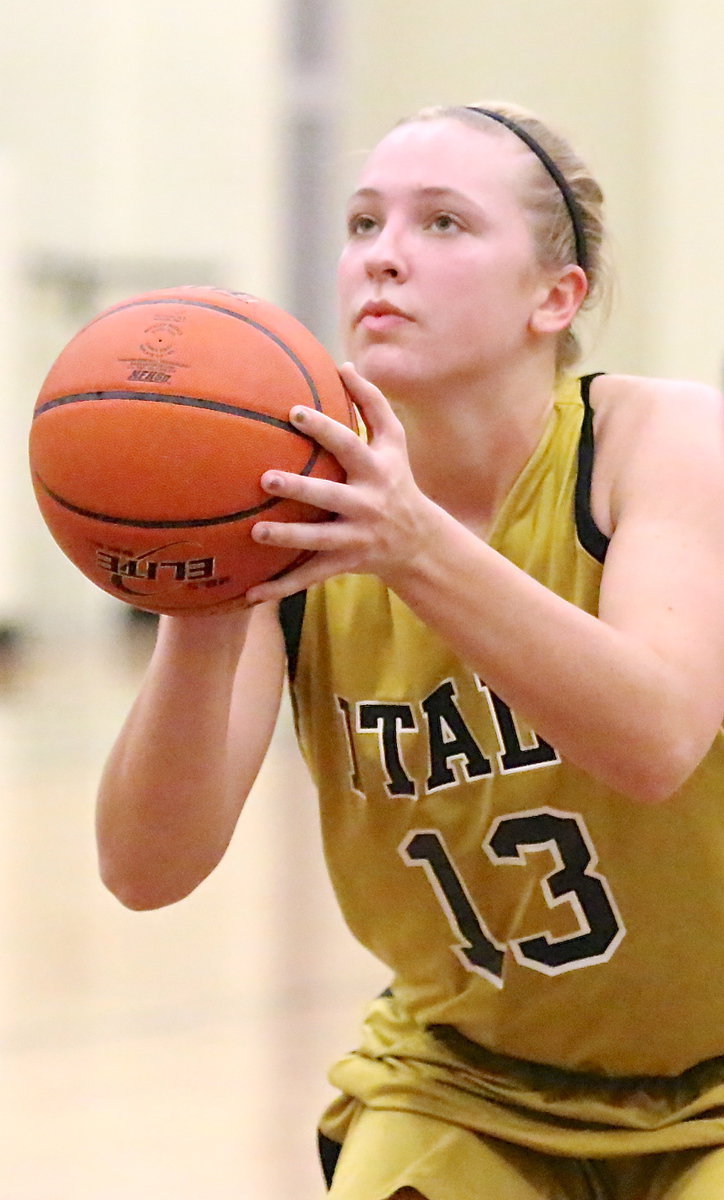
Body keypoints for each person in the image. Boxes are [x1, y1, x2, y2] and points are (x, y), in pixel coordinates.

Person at [96, 102, 724, 1200]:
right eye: (363, 222)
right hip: (467, 1081)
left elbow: (657, 738)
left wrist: (414, 546)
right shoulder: (291, 512)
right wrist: (199, 601)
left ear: (554, 296)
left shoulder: (663, 442)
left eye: (442, 223)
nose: (384, 255)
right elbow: (146, 870)